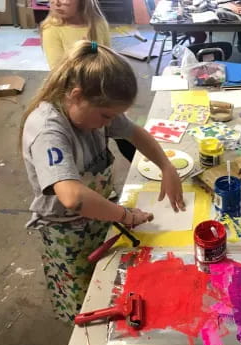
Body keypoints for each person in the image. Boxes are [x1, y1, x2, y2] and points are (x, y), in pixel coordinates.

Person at [21, 41, 186, 322]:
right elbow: (74, 198)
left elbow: (134, 132)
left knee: (111, 282)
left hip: (100, 216)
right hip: (66, 233)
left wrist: (166, 166)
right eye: (106, 116)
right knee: (87, 301)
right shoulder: (48, 130)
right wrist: (126, 215)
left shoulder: (92, 109)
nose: (108, 123)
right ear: (76, 95)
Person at [41, 0, 136, 162]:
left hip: (102, 93)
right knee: (81, 147)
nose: (56, 3)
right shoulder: (51, 29)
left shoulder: (98, 24)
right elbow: (59, 72)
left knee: (119, 136)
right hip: (73, 98)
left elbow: (108, 62)